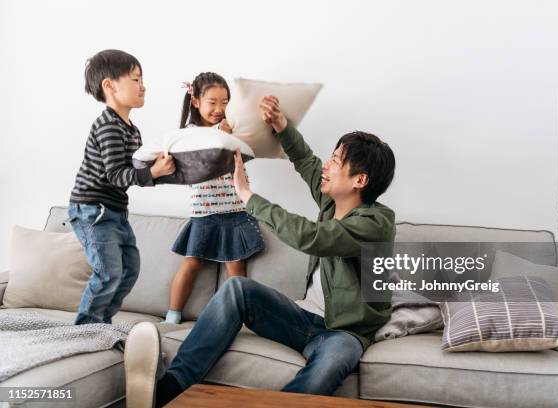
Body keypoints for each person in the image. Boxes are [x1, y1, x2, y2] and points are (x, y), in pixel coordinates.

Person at [124, 95, 396, 408]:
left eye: (335, 161)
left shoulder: (377, 223)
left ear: (359, 180)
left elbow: (315, 238)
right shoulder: (331, 202)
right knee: (237, 289)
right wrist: (282, 127)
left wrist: (246, 195)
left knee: (332, 364)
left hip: (344, 334)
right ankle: (165, 392)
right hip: (302, 319)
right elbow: (306, 161)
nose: (326, 165)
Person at [68, 49, 175, 325]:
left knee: (129, 269)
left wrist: (161, 170)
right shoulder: (107, 126)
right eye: (136, 79)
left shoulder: (131, 129)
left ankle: (101, 323)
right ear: (110, 85)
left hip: (114, 211)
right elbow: (117, 174)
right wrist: (152, 172)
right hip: (92, 209)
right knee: (108, 272)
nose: (144, 86)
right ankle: (85, 330)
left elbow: (136, 173)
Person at [162, 72, 265, 325]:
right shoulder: (190, 133)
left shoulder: (234, 127)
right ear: (196, 101)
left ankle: (234, 320)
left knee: (236, 270)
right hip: (204, 212)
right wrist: (223, 132)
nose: (220, 109)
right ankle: (172, 316)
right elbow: (205, 151)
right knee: (192, 263)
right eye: (213, 102)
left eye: (225, 102)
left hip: (235, 209)